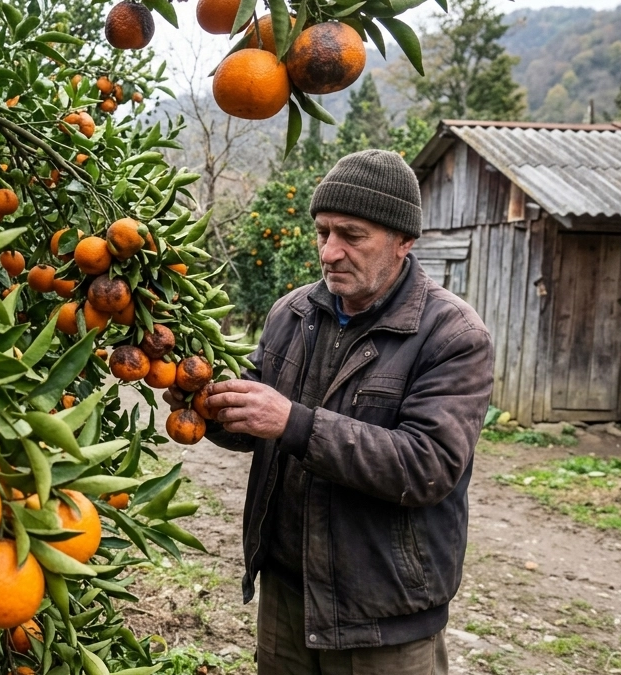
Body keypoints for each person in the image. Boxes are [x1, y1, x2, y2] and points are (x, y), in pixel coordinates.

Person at [167, 150, 494, 674]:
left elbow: (428, 466)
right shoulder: (293, 312)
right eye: (323, 232)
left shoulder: (452, 335)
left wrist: (294, 423)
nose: (330, 252)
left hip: (382, 615)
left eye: (352, 235)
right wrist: (205, 403)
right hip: (288, 597)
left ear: (403, 241)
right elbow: (257, 422)